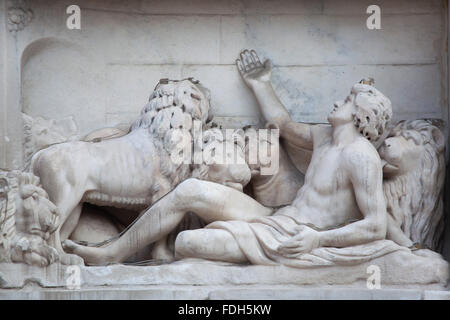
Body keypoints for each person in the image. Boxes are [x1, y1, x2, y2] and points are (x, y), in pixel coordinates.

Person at [64, 50, 403, 266]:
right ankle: (111, 253)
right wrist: (260, 83)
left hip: (298, 238)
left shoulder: (361, 157)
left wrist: (318, 239)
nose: (336, 103)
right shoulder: (323, 137)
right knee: (190, 189)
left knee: (188, 241)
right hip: (277, 218)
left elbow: (375, 225)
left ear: (362, 117)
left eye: (346, 101)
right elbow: (281, 124)